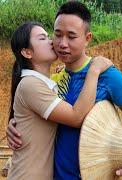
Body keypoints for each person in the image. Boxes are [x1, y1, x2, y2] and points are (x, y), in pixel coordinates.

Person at [7, 2, 122, 180]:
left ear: (87, 38)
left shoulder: (108, 76)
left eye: (71, 36)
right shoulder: (54, 80)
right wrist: (16, 125)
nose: (62, 44)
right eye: (58, 35)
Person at [7, 21, 112, 179]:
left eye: (49, 36)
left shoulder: (43, 84)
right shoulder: (31, 85)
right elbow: (76, 117)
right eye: (42, 38)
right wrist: (94, 71)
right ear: (27, 52)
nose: (51, 41)